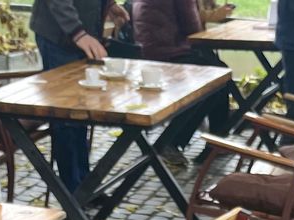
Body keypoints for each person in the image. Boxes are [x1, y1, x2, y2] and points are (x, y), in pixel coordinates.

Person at [30, 0, 130, 191]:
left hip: (82, 34)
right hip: (58, 37)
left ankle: (85, 185)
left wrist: (108, 5)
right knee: (65, 117)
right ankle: (73, 193)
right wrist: (78, 33)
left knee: (82, 110)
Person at [130, 0, 232, 161]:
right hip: (169, 54)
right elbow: (193, 28)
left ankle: (215, 142)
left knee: (217, 70)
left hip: (146, 51)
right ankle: (175, 141)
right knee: (218, 78)